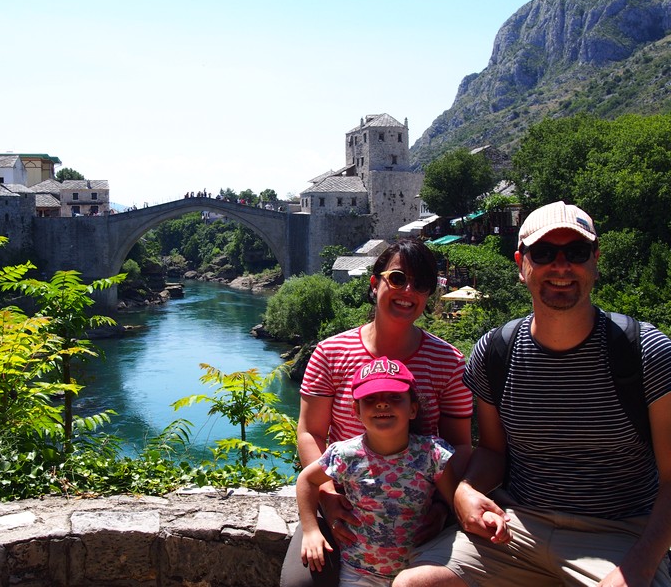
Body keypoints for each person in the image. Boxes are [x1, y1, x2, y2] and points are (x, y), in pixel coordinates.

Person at [394, 201, 671, 587]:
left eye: (575, 252)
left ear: (595, 260)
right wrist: (466, 491)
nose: (561, 266)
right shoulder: (495, 351)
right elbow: (492, 451)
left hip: (619, 532)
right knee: (414, 583)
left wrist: (638, 567)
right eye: (543, 254)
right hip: (515, 525)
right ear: (521, 264)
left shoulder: (646, 352)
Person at [281, 239, 474, 587]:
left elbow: (459, 446)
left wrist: (443, 508)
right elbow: (310, 432)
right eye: (398, 278)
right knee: (301, 583)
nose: (408, 291)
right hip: (343, 501)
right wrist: (326, 495)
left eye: (422, 284)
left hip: (421, 510)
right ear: (376, 283)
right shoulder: (331, 352)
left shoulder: (448, 361)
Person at [297, 357, 507, 586]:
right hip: (358, 571)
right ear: (356, 411)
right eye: (370, 399)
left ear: (413, 409)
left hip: (418, 568)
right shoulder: (345, 454)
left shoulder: (431, 454)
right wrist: (311, 530)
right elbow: (307, 480)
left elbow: (456, 502)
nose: (382, 404)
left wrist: (482, 516)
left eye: (394, 397)